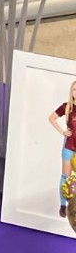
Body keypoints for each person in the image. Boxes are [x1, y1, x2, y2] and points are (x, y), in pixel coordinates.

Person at [49, 80, 76, 217]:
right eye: (75, 89)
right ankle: (62, 205)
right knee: (66, 176)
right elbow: (51, 118)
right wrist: (62, 132)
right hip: (69, 147)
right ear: (71, 92)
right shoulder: (67, 107)